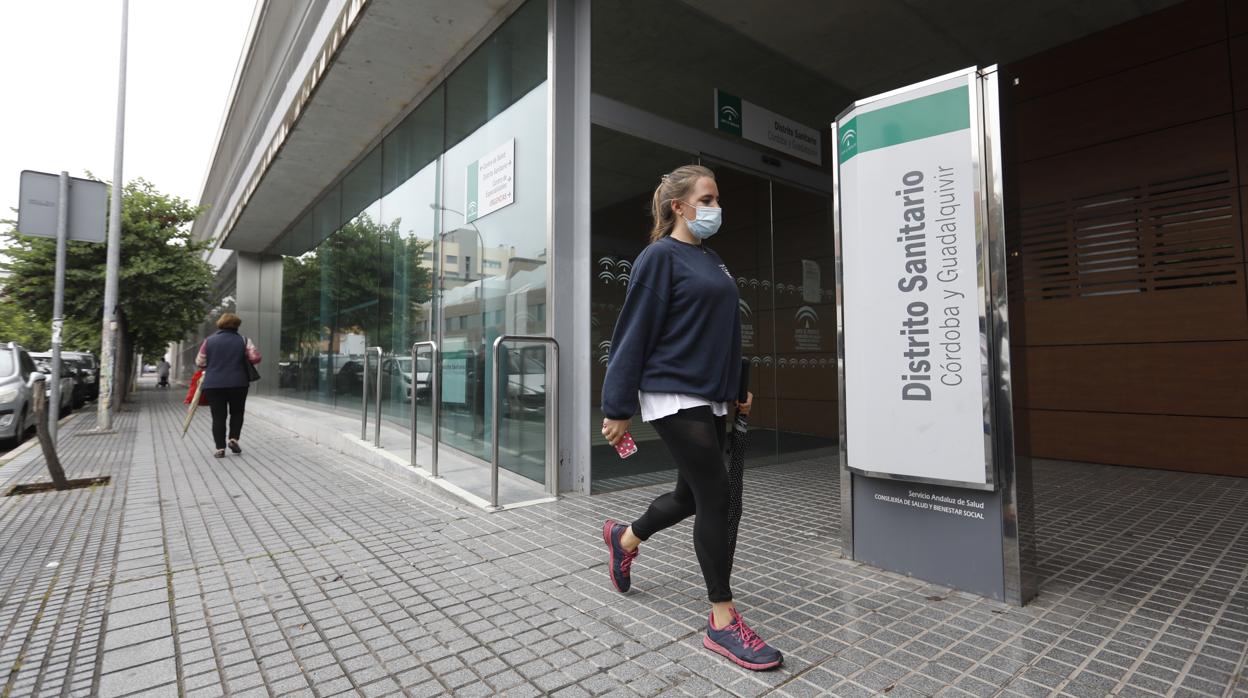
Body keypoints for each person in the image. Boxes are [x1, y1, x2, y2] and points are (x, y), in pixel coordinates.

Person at [599, 164, 782, 671]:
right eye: (706, 199)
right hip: (672, 391)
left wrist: (736, 389)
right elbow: (633, 330)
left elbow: (721, 332)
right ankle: (722, 621)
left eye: (716, 199)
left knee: (690, 495)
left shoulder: (714, 260)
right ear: (678, 206)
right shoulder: (660, 257)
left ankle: (625, 537)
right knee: (717, 495)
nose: (715, 208)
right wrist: (617, 406)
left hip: (711, 395)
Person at [196, 312, 261, 458]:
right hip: (238, 383)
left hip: (213, 384)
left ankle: (220, 448)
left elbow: (200, 362)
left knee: (218, 416)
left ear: (220, 324)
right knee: (237, 412)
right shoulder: (244, 341)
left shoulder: (209, 341)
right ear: (237, 326)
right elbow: (256, 358)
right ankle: (233, 439)